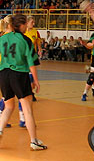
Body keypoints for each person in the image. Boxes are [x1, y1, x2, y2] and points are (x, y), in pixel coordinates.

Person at [0, 14, 47, 150]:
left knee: (8, 106)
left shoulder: (3, 38)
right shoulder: (25, 40)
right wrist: (36, 80)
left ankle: (0, 130)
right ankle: (34, 141)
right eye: (26, 24)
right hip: (19, 74)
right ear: (21, 25)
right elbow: (31, 63)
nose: (27, 26)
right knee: (27, 108)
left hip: (3, 74)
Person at [0, 15, 26, 128]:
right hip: (10, 70)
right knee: (20, 97)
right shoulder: (13, 37)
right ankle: (22, 119)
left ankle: (3, 119)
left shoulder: (3, 36)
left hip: (3, 71)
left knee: (5, 97)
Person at [24, 16, 41, 102]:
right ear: (27, 23)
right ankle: (28, 92)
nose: (33, 24)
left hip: (32, 56)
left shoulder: (35, 31)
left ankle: (31, 92)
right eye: (32, 22)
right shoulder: (23, 32)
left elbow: (38, 42)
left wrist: (40, 50)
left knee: (32, 77)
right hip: (24, 56)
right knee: (27, 76)